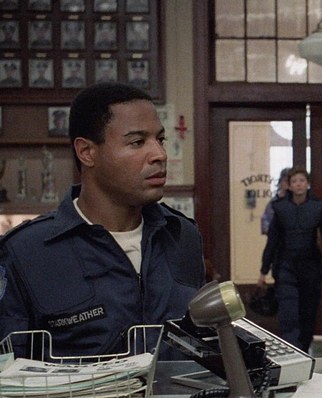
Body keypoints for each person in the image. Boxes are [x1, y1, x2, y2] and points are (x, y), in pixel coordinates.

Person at [0, 82, 206, 358]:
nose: (160, 154)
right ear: (87, 152)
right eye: (137, 142)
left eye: (160, 139)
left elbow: (200, 343)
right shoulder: (26, 253)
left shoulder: (182, 235)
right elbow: (8, 369)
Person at [257, 166, 322, 352]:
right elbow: (272, 241)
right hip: (285, 267)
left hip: (310, 267)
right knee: (288, 312)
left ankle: (303, 349)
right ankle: (292, 351)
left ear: (308, 184)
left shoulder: (318, 207)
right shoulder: (280, 208)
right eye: (294, 181)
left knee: (308, 314)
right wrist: (264, 271)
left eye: (302, 181)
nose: (298, 184)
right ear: (289, 185)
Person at [260, 166, 291, 235]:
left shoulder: (299, 202)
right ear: (280, 182)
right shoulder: (273, 203)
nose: (288, 184)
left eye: (291, 181)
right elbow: (265, 224)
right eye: (286, 181)